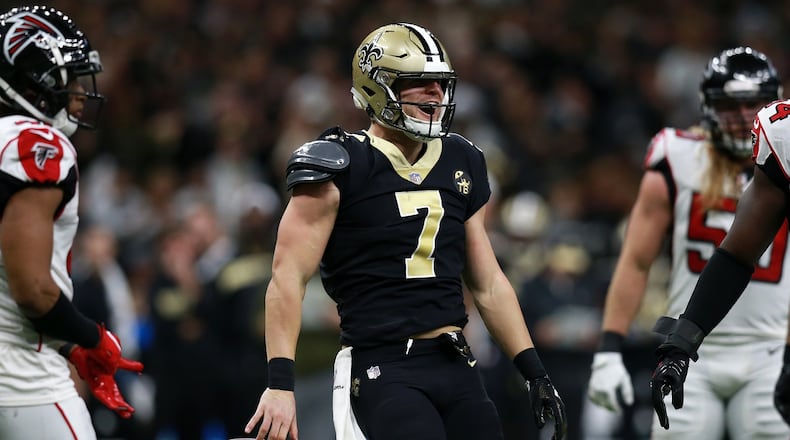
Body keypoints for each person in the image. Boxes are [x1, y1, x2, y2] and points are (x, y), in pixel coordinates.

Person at [245, 22, 567, 440]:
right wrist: (279, 384)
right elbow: (287, 279)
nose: (435, 94)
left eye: (440, 83)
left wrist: (534, 372)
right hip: (382, 364)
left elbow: (488, 282)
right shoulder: (339, 163)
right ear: (377, 88)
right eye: (419, 83)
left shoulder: (461, 158)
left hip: (455, 360)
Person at [611, 47, 790, 438]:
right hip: (700, 346)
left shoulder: (782, 137)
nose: (744, 117)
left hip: (771, 345)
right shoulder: (679, 154)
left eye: (755, 104)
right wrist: (615, 347)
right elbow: (641, 260)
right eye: (729, 105)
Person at [0, 6, 142, 440]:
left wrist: (69, 344)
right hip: (22, 380)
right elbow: (32, 290)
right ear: (33, 80)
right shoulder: (35, 143)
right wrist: (93, 338)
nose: (80, 93)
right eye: (69, 79)